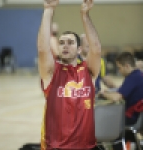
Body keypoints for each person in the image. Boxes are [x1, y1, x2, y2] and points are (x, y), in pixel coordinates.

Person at [37, 0, 101, 150]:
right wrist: (48, 10)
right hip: (56, 147)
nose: (65, 45)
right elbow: (42, 49)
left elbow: (96, 48)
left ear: (79, 49)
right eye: (62, 42)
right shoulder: (51, 73)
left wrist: (85, 15)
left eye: (70, 42)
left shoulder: (88, 71)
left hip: (87, 146)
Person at [98, 52, 143, 150]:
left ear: (127, 66)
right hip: (137, 117)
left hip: (131, 118)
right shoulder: (139, 75)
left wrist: (103, 94)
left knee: (104, 122)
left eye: (119, 68)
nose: (119, 70)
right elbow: (121, 90)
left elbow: (116, 97)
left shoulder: (132, 78)